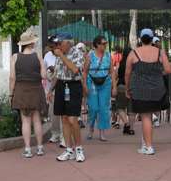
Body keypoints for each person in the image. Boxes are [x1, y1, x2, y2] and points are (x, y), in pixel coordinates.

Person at [125, 28, 171, 155]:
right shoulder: (160, 52)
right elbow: (168, 70)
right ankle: (146, 143)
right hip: (157, 90)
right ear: (152, 39)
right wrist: (157, 73)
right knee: (149, 117)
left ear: (140, 38)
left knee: (145, 117)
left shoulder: (134, 53)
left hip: (139, 90)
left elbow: (127, 73)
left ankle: (149, 146)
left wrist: (128, 88)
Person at [10, 29, 48, 158]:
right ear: (31, 43)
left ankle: (27, 149)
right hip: (36, 89)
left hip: (21, 90)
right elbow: (44, 75)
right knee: (37, 120)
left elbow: (12, 78)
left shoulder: (15, 57)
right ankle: (40, 148)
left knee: (25, 121)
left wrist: (11, 94)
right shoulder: (38, 56)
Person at [49, 33, 86, 162]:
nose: (57, 46)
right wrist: (50, 90)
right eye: (56, 44)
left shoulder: (77, 52)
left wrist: (61, 56)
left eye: (59, 44)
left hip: (74, 86)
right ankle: (68, 150)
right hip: (61, 86)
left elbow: (75, 70)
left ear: (67, 43)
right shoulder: (59, 54)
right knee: (64, 118)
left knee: (72, 119)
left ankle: (79, 149)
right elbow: (57, 73)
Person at [83, 35, 117, 141]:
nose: (105, 45)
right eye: (103, 43)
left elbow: (112, 71)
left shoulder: (108, 55)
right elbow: (85, 71)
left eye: (106, 43)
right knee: (93, 108)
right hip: (92, 82)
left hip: (105, 83)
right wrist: (84, 85)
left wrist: (114, 87)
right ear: (97, 45)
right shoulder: (90, 55)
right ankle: (91, 128)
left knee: (104, 108)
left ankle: (102, 132)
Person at [44, 35, 63, 145]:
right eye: (51, 45)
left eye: (54, 45)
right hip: (51, 87)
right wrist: (48, 70)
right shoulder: (47, 55)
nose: (52, 48)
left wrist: (54, 69)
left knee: (62, 112)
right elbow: (44, 69)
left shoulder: (62, 55)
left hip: (62, 86)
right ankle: (55, 133)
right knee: (52, 112)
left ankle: (63, 135)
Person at [116, 47, 135, 135]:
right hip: (132, 87)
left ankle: (126, 123)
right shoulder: (134, 64)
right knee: (131, 110)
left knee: (120, 107)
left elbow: (116, 74)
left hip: (121, 86)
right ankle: (131, 128)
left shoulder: (121, 63)